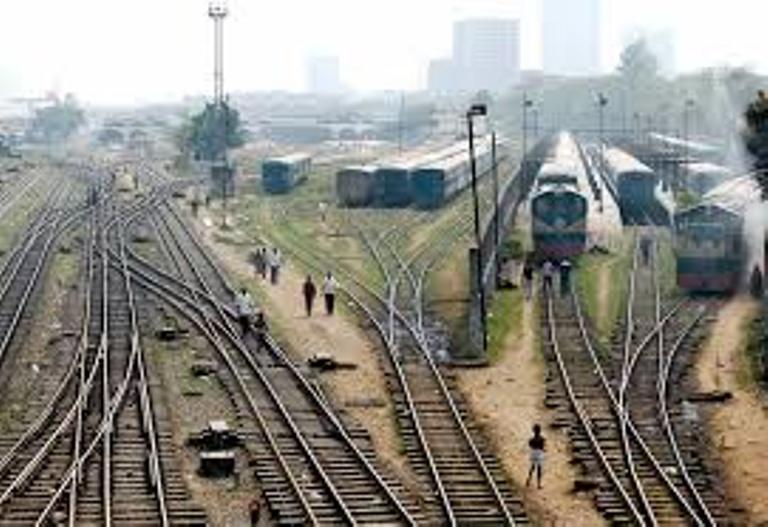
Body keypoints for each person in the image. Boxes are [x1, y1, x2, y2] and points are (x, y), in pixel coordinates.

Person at [526, 424, 546, 489]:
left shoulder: (531, 440)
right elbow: (542, 447)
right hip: (539, 453)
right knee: (539, 469)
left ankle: (528, 480)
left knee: (532, 467)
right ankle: (538, 484)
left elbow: (530, 445)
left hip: (533, 453)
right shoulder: (542, 439)